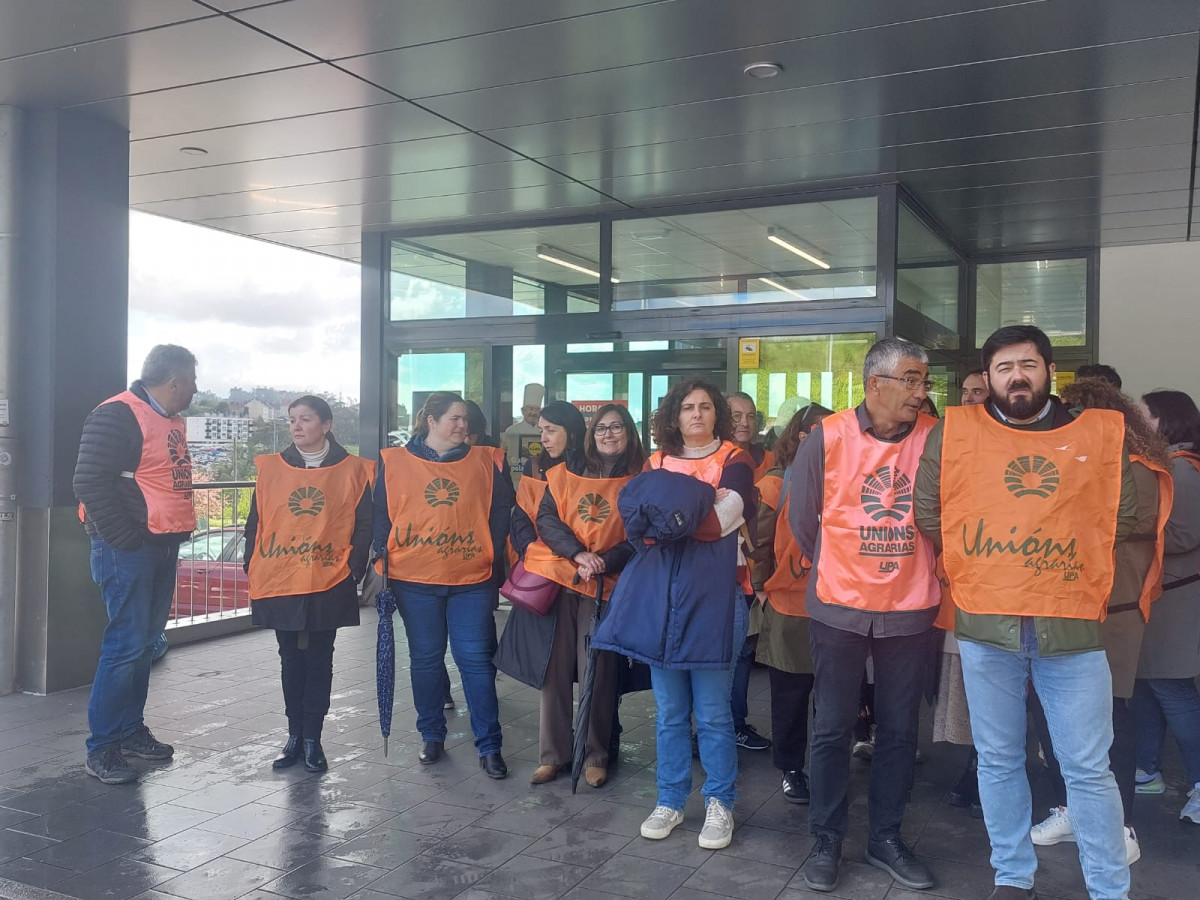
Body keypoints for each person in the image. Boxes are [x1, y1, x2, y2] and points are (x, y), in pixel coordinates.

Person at [915, 325, 1137, 900]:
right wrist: (990, 560)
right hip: (987, 625)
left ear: (1049, 372)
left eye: (1029, 365)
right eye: (1005, 366)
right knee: (997, 758)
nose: (1017, 376)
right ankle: (1013, 876)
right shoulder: (955, 432)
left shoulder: (1095, 436)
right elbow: (928, 509)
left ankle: (1110, 888)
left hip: (1072, 628)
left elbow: (1125, 512)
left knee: (1088, 768)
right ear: (987, 377)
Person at [788, 337, 940, 893]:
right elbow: (804, 519)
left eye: (925, 382)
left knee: (900, 732)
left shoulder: (936, 438)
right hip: (838, 607)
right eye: (912, 380)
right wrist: (846, 562)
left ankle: (885, 838)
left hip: (911, 607)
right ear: (874, 384)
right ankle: (826, 838)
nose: (921, 393)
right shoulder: (826, 438)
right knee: (830, 728)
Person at [594, 380, 756, 851]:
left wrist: (672, 520)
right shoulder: (656, 462)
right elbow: (635, 521)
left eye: (707, 406)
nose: (698, 414)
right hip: (663, 600)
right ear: (675, 415)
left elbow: (724, 520)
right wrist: (685, 512)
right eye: (688, 407)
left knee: (712, 713)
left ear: (717, 414)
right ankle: (669, 800)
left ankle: (720, 803)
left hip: (719, 599)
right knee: (668, 713)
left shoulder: (735, 459)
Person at [1026, 377, 1173, 865]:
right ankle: (1072, 808)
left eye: (1071, 412)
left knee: (1109, 719)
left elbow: (1118, 526)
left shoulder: (1139, 467)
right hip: (1069, 605)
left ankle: (1122, 826)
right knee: (1053, 714)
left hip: (1115, 611)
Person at [73, 344, 199, 784]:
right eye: (193, 381)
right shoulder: (116, 414)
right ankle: (102, 747)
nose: (196, 390)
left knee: (145, 644)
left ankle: (129, 732)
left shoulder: (170, 419)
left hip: (161, 545)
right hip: (127, 550)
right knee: (125, 647)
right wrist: (123, 539)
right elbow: (88, 480)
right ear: (174, 381)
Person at [373, 391, 515, 778]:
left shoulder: (487, 461)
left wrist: (491, 547)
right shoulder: (394, 462)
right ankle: (431, 734)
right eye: (454, 418)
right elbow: (381, 513)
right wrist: (378, 554)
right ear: (430, 421)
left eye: (465, 419)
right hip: (414, 578)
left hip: (472, 578)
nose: (462, 425)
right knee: (426, 659)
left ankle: (489, 744)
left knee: (474, 660)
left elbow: (503, 508)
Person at [242, 395, 374, 773]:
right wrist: (252, 561)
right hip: (281, 573)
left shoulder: (353, 470)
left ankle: (314, 737)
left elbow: (363, 524)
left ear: (326, 425)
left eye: (306, 419)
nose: (297, 427)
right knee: (288, 656)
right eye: (292, 420)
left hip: (329, 575)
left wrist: (352, 568)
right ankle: (294, 735)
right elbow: (257, 521)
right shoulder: (272, 468)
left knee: (319, 656)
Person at [523, 404, 645, 788]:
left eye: (617, 428)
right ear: (592, 435)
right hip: (562, 579)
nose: (608, 434)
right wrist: (578, 553)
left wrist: (604, 560)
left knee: (599, 670)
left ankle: (594, 754)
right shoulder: (564, 474)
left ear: (629, 433)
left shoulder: (642, 478)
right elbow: (546, 520)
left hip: (608, 586)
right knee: (555, 671)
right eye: (601, 428)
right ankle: (552, 755)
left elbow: (639, 534)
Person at [751, 402, 832, 805]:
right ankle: (791, 769)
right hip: (788, 606)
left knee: (833, 699)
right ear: (801, 437)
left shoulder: (844, 481)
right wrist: (760, 586)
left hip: (835, 607)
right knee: (790, 696)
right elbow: (758, 543)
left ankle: (828, 767)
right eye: (817, 431)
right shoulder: (773, 485)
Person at [1131, 389, 1200, 825]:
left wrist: (1127, 533)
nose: (1137, 424)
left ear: (1165, 421)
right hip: (1157, 599)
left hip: (1174, 600)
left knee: (1174, 692)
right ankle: (1147, 769)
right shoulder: (1170, 467)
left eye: (1143, 416)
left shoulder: (1184, 471)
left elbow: (1182, 537)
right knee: (1144, 689)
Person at [936, 370, 989, 810]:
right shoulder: (949, 440)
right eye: (966, 392)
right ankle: (977, 770)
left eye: (978, 392)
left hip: (1007, 588)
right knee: (972, 694)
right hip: (959, 587)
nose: (970, 398)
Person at [727, 391, 772, 752]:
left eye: (751, 416)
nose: (745, 423)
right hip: (724, 574)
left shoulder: (770, 460)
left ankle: (734, 724)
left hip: (763, 572)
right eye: (736, 415)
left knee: (744, 652)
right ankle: (720, 726)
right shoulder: (715, 461)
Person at [501, 382, 545, 481]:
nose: (533, 412)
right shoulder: (511, 431)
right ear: (523, 411)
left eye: (537, 409)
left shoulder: (544, 431)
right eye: (530, 409)